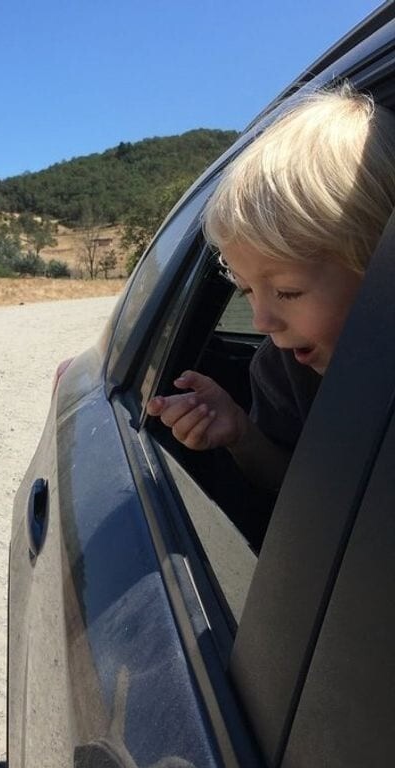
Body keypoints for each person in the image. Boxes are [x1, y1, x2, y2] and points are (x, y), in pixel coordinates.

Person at [147, 83, 395, 491]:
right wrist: (242, 434)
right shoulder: (279, 372)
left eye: (288, 292)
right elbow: (295, 493)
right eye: (245, 291)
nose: (262, 321)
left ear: (381, 265)